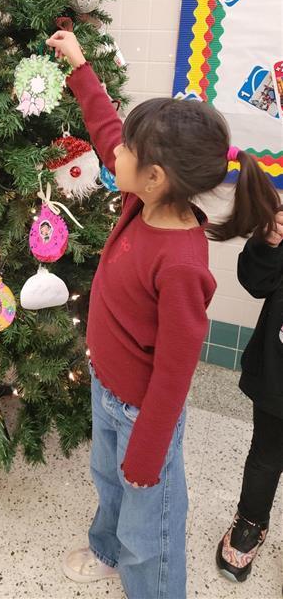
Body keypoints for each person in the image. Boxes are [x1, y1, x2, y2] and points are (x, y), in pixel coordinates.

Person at [45, 29, 281, 599]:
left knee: (148, 524)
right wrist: (79, 66)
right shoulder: (142, 199)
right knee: (108, 481)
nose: (117, 154)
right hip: (106, 386)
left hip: (142, 414)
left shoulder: (180, 264)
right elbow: (106, 130)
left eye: (130, 151)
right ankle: (107, 552)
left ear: (154, 177)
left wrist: (149, 451)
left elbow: (175, 373)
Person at [216, 210, 283, 583]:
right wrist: (267, 242)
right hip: (279, 372)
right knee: (266, 455)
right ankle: (250, 521)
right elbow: (256, 281)